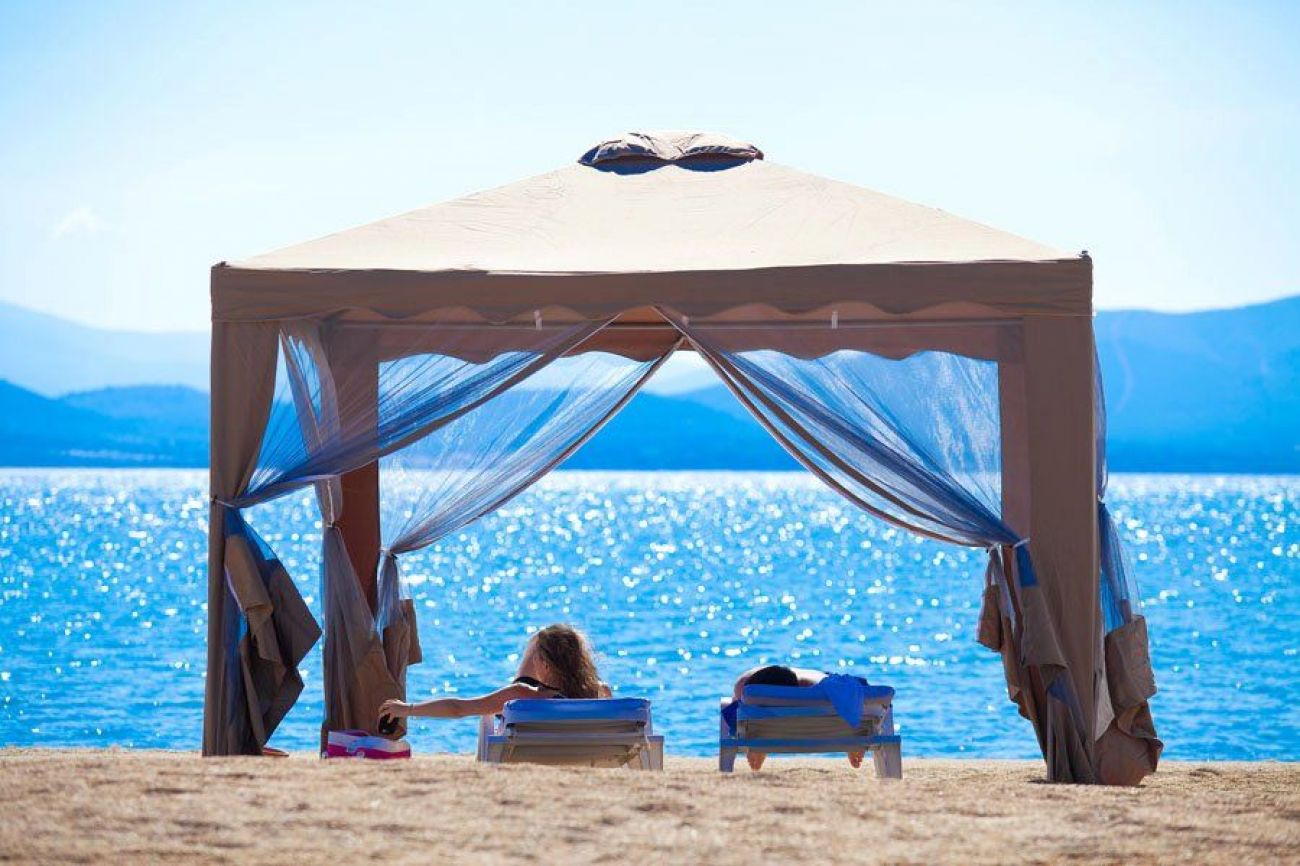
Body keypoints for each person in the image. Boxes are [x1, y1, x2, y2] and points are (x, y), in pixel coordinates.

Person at [378, 623, 610, 728]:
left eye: (537, 658)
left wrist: (407, 709)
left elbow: (458, 708)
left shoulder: (521, 695)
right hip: (582, 750)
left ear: (546, 665)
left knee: (491, 714)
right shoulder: (600, 692)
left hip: (533, 749)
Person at [730, 664, 866, 771]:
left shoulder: (742, 686)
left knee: (738, 710)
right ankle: (760, 740)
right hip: (824, 717)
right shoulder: (823, 688)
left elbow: (734, 716)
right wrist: (852, 734)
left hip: (770, 718)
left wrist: (753, 739)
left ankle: (760, 740)